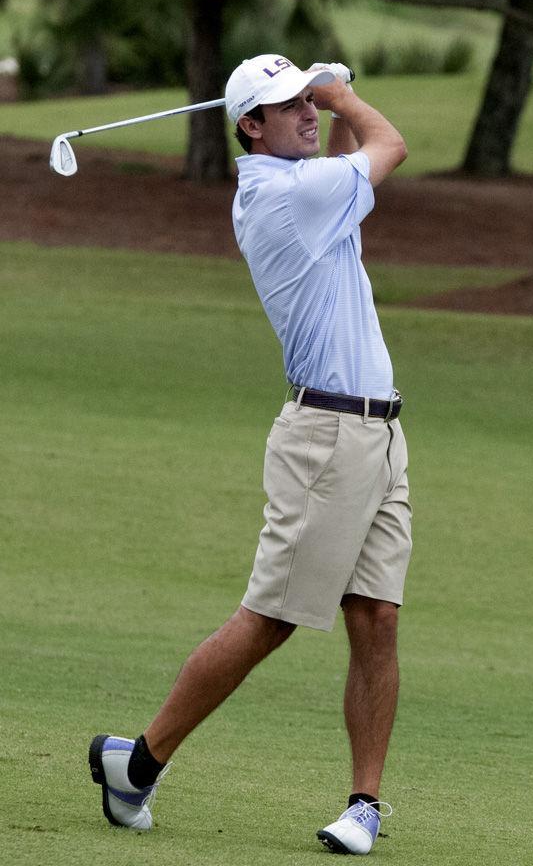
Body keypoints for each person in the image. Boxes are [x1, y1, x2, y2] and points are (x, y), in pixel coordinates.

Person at [88, 54, 412, 856]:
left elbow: (348, 163)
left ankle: (364, 804)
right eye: (288, 105)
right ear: (250, 126)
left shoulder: (303, 186)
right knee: (269, 621)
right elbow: (389, 145)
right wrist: (345, 94)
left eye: (308, 99)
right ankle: (140, 763)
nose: (307, 111)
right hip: (326, 440)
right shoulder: (286, 196)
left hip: (380, 433)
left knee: (376, 618)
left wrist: (325, 104)